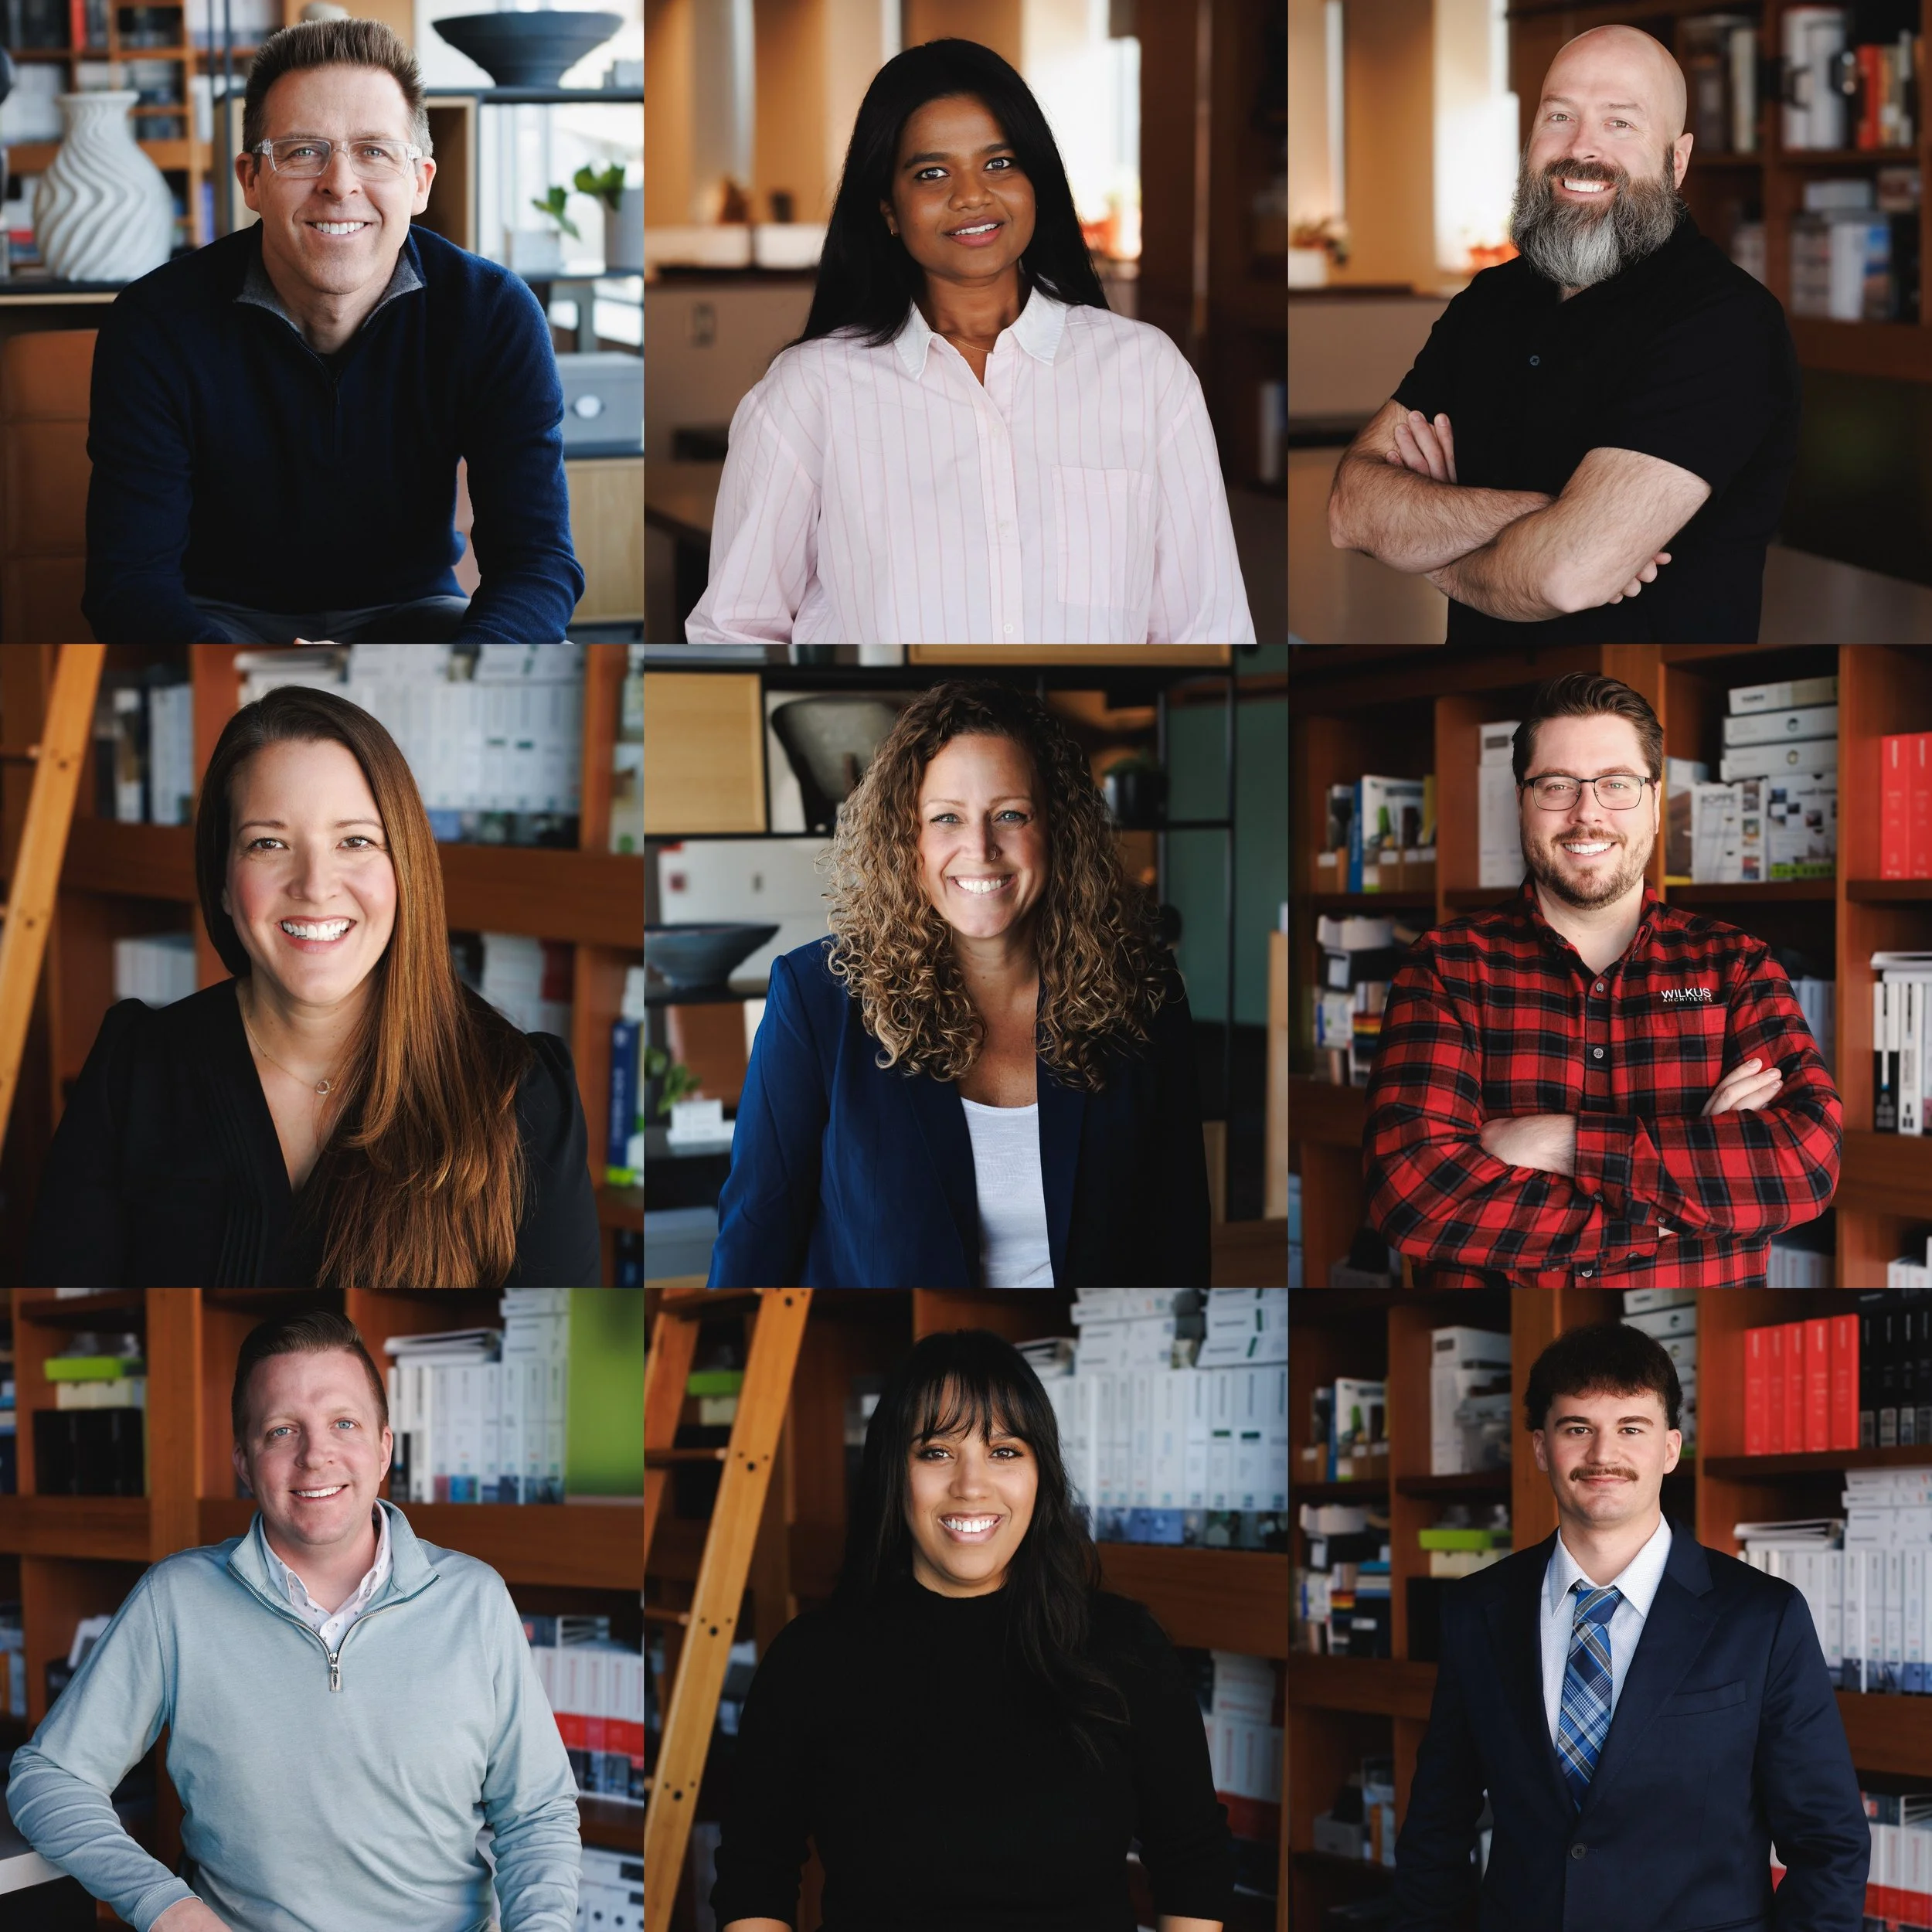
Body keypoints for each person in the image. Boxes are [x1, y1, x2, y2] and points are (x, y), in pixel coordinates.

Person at [6, 1309, 583, 1932]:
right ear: (244, 1462)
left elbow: (538, 1813)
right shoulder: (176, 1599)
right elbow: (49, 1778)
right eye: (282, 1431)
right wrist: (166, 1907)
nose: (316, 1456)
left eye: (344, 1423)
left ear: (384, 1448)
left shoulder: (475, 1599)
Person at [22, 683, 600, 1287]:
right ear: (222, 879)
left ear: (406, 868)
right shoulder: (134, 1067)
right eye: (268, 843)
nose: (315, 884)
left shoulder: (520, 1093)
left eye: (355, 841)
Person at [683, 36, 1254, 645]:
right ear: (889, 210)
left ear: (1037, 180)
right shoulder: (810, 391)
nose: (972, 195)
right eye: (932, 173)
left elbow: (1207, 627)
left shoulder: (1147, 373)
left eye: (999, 163)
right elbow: (735, 628)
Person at [81, 18, 585, 645]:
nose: (340, 183)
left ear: (421, 182)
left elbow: (538, 563)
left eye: (374, 151)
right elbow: (127, 582)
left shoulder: (492, 314)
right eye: (302, 151)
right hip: (214, 620)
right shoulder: (154, 324)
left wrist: (461, 662)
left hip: (413, 613)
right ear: (250, 180)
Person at [711, 1327, 1233, 1932]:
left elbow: (1191, 1857)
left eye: (1004, 1451)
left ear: (1041, 1474)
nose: (971, 1485)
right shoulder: (810, 1660)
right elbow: (756, 1871)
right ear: (893, 1472)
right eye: (936, 1451)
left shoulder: (1125, 1646)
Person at [706, 679, 1212, 1287]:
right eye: (946, 818)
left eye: (1010, 815)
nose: (980, 847)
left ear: (1057, 828)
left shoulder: (1146, 997)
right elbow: (755, 1239)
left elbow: (1179, 1240)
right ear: (906, 839)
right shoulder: (816, 1000)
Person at [1361, 671, 1839, 1286]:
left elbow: (1806, 1163)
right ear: (1522, 803)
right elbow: (1412, 1195)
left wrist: (1561, 1144)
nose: (1587, 813)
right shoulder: (1447, 967)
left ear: (1656, 802)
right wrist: (1678, 1205)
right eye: (1557, 785)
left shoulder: (1736, 965)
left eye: (1617, 784)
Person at [1327, 23, 1800, 643]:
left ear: (1676, 160)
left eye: (1620, 123)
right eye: (1559, 116)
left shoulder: (1727, 322)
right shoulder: (1489, 300)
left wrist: (1430, 545)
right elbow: (1350, 510)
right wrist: (1548, 516)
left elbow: (1564, 578)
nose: (1582, 147)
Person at [1390, 1321, 1869, 1931]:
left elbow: (1829, 1843)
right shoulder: (1476, 1611)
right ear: (1541, 1447)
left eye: (1630, 1429)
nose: (1602, 1455)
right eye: (1577, 1429)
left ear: (1670, 1448)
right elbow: (1436, 1827)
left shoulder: (1763, 1616)